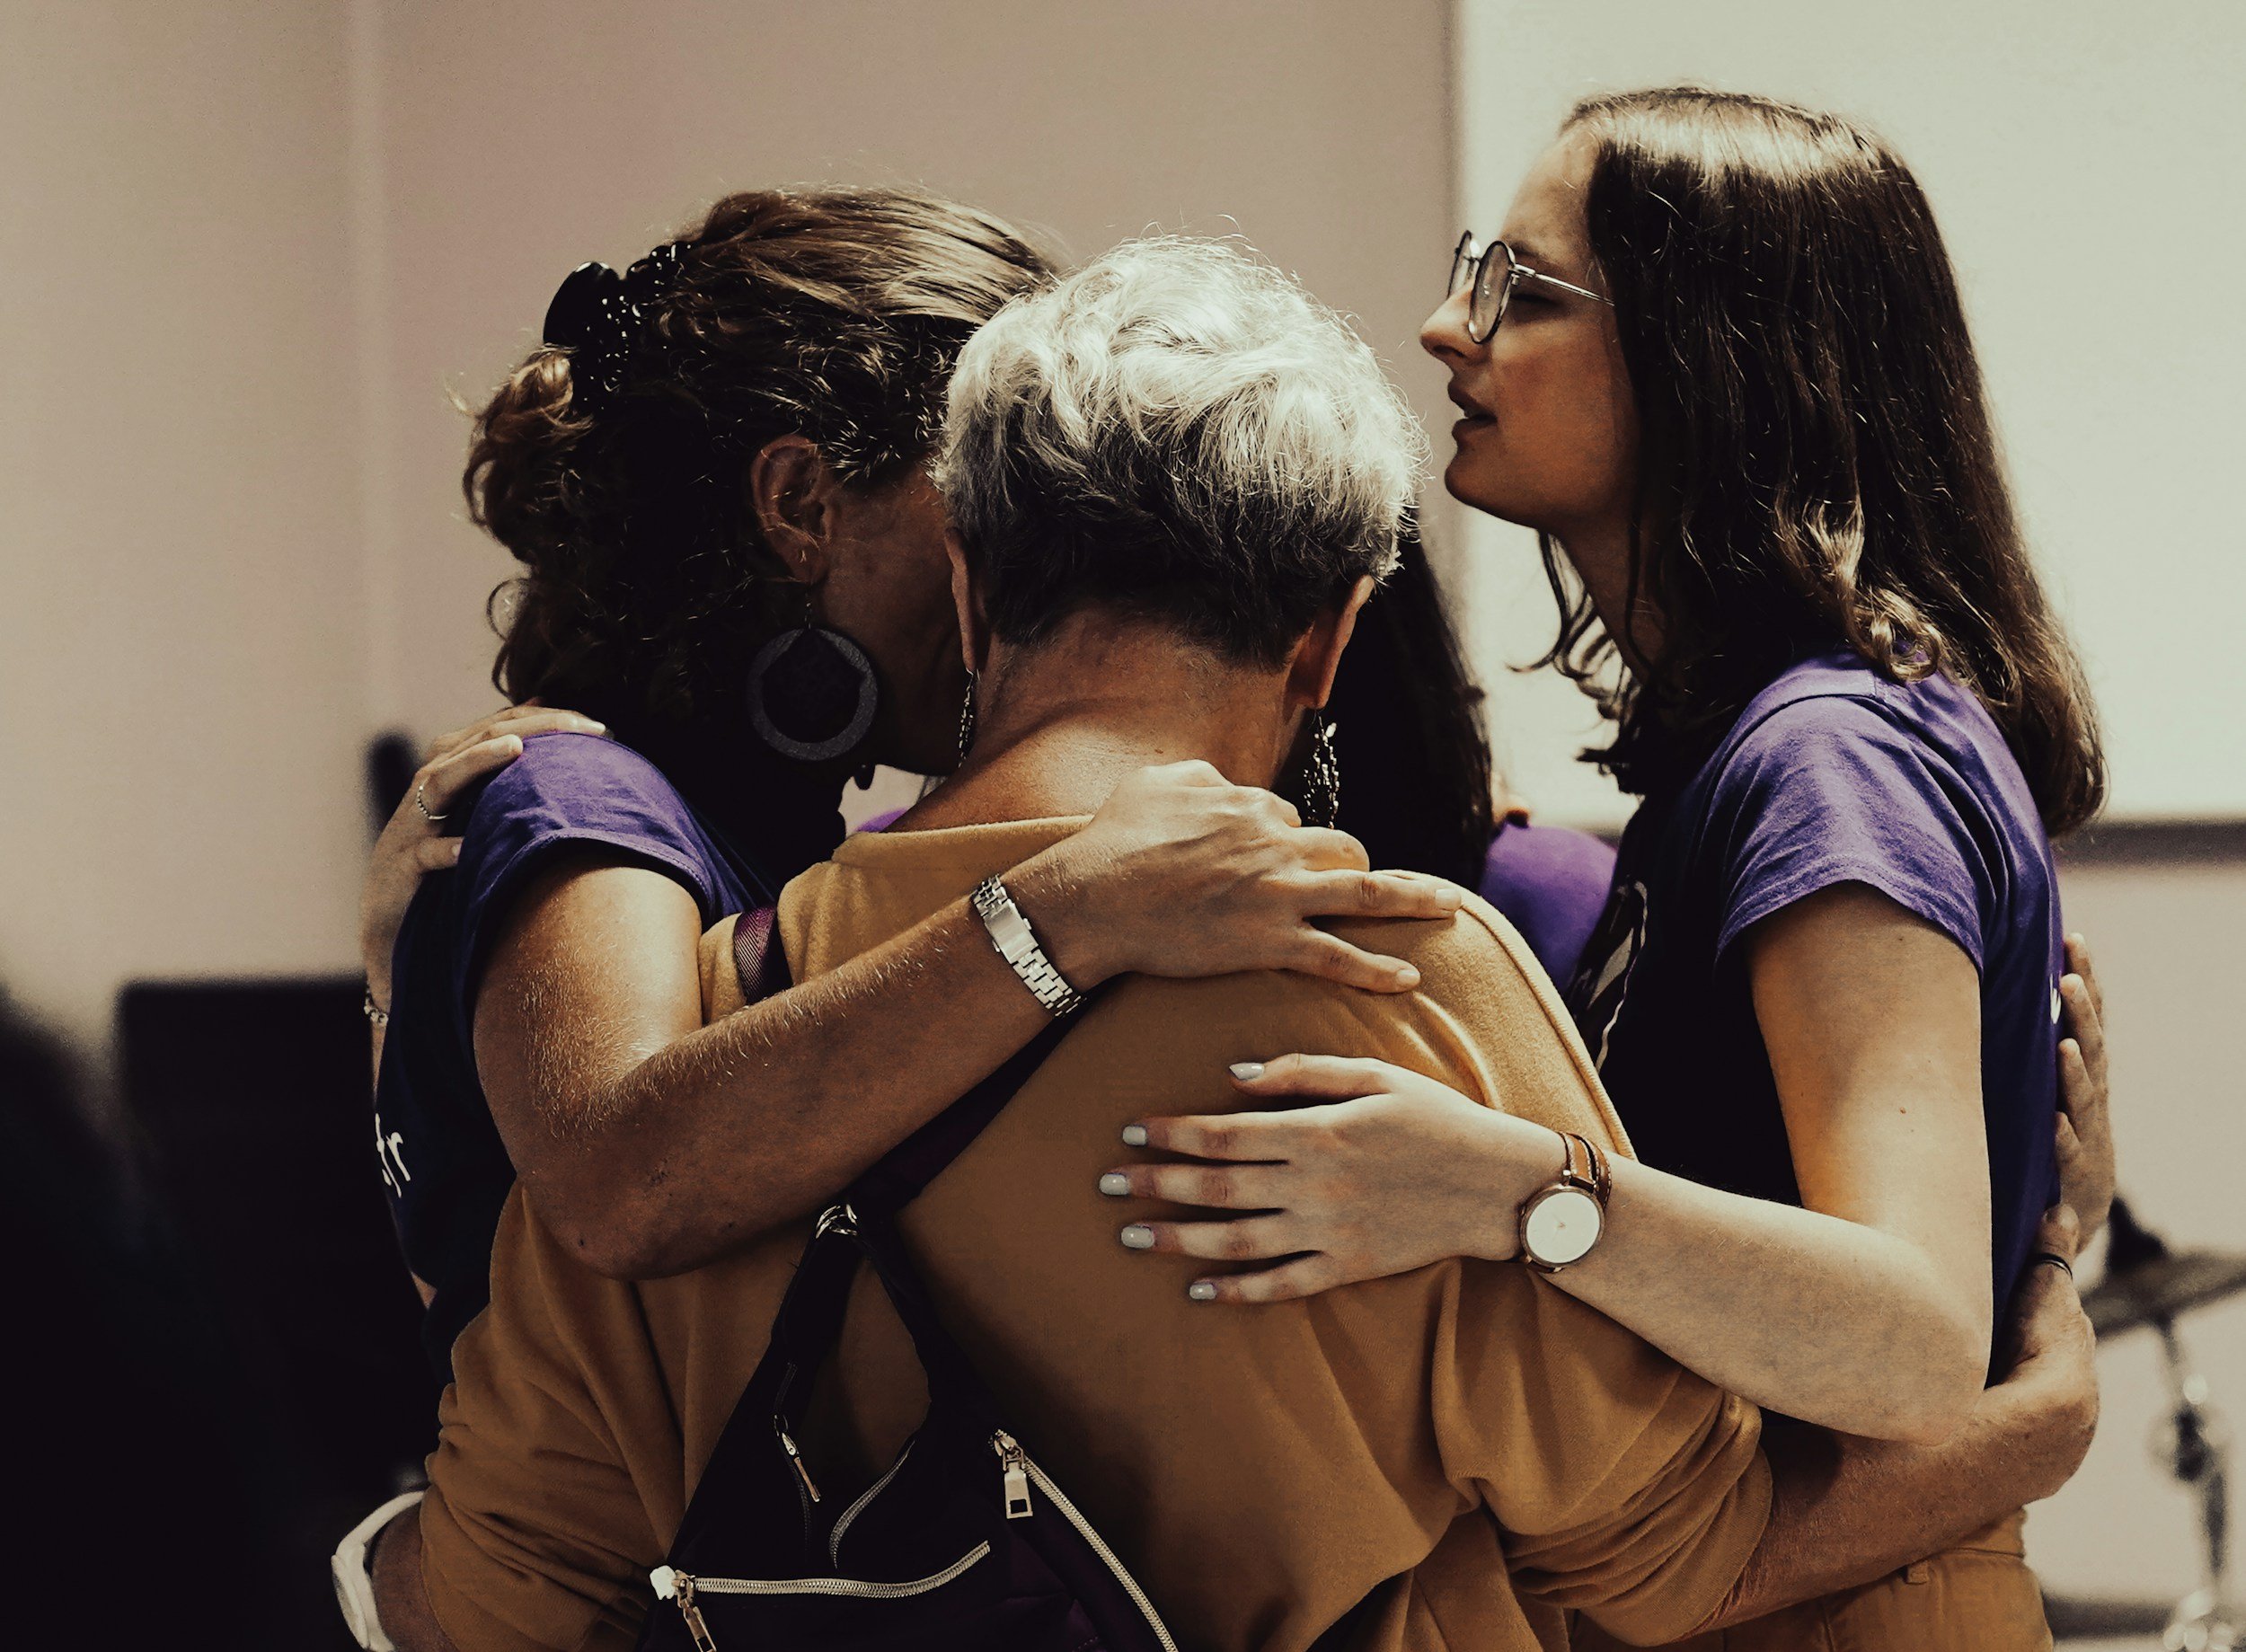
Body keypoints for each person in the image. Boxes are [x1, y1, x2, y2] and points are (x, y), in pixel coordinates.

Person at [361, 237, 2100, 1652]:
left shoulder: (713, 1038)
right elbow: (1667, 1568)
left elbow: (494, 1578)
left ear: (974, 590)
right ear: (1332, 642)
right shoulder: (1400, 987)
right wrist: (2027, 1395)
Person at [1101, 88, 2111, 1644]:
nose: (1448, 329)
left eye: (1522, 291)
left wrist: (1500, 1191)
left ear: (1717, 356)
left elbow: (1910, 1335)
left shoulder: (1828, 758)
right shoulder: (1773, 745)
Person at [364, 187, 1470, 1375]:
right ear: (799, 506)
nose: (1028, 559)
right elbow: (626, 1184)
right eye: (991, 498)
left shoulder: (764, 818)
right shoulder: (582, 801)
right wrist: (1073, 909)